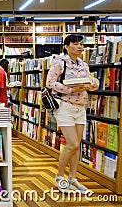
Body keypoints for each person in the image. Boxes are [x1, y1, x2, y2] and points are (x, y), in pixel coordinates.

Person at [46, 34, 99, 194]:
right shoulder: (59, 62)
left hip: (80, 106)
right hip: (64, 106)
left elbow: (90, 81)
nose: (80, 47)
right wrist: (69, 89)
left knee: (78, 145)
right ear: (66, 46)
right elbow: (49, 83)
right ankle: (60, 176)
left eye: (81, 44)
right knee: (72, 143)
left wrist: (93, 84)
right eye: (75, 44)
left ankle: (73, 178)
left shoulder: (83, 65)